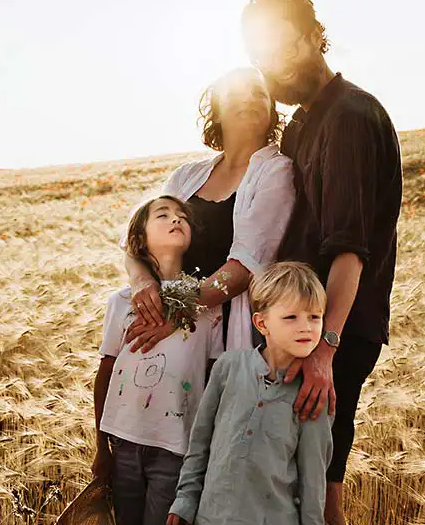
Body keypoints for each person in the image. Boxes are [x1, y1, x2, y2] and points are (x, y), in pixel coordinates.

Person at [241, 0, 403, 525]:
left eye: (282, 43)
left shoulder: (350, 118)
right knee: (306, 479)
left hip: (331, 331)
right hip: (307, 330)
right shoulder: (308, 123)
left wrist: (323, 352)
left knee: (318, 483)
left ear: (315, 36)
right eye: (259, 52)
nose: (271, 62)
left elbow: (348, 249)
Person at [165, 261, 331, 525]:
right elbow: (201, 442)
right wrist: (185, 499)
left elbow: (314, 481)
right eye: (292, 318)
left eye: (315, 318)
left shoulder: (312, 397)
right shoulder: (227, 368)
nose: (306, 327)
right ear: (262, 324)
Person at [92, 195, 224, 525]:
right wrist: (100, 447)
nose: (176, 219)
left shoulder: (206, 310)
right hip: (123, 443)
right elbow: (105, 372)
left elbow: (211, 378)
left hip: (177, 449)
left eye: (183, 216)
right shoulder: (120, 303)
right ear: (139, 237)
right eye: (162, 215)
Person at [122, 67, 295, 356]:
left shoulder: (277, 171)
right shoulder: (186, 176)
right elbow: (137, 244)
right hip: (163, 331)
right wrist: (142, 282)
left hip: (224, 339)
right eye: (236, 94)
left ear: (271, 110)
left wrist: (177, 312)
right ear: (216, 111)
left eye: (259, 93)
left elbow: (245, 266)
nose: (249, 99)